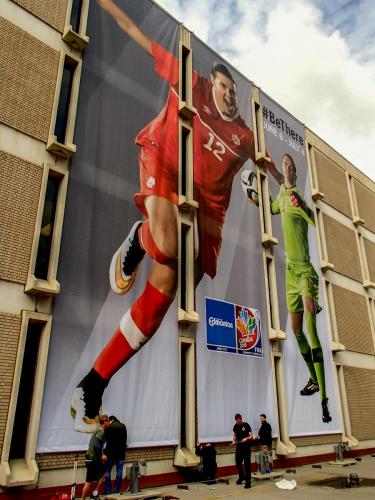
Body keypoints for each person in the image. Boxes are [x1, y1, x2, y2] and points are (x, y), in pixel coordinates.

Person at [70, 0, 283, 433]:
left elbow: (271, 171)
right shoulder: (191, 82)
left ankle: (92, 385)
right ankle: (139, 238)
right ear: (213, 82)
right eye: (222, 85)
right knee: (165, 244)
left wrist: (277, 188)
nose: (226, 93)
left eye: (231, 90)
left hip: (207, 214)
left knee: (163, 298)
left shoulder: (243, 134)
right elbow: (133, 28)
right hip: (165, 164)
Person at [271, 153, 332, 423]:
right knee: (295, 329)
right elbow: (271, 208)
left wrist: (306, 208)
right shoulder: (281, 196)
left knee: (310, 323)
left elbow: (315, 220)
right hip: (289, 274)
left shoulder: (297, 199)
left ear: (295, 172)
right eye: (285, 165)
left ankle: (324, 400)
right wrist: (254, 197)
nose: (287, 168)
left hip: (305, 270)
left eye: (291, 166)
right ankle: (313, 378)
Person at [82, 415, 110, 500]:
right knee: (89, 481)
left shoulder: (100, 430)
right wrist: (102, 456)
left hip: (94, 459)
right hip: (92, 459)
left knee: (103, 473)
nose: (109, 423)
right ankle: (82, 499)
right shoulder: (100, 431)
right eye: (108, 421)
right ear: (104, 422)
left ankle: (95, 493)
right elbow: (96, 445)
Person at [104, 415, 127, 494]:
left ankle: (108, 489)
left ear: (111, 420)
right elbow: (125, 441)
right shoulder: (123, 426)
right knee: (119, 471)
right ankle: (117, 489)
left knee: (107, 471)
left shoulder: (109, 427)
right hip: (121, 454)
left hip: (110, 454)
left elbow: (106, 440)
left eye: (108, 421)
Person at [231, 413, 252, 489]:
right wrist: (233, 440)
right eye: (237, 421)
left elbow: (251, 436)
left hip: (246, 448)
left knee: (247, 465)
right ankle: (241, 476)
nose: (238, 422)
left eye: (239, 421)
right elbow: (234, 435)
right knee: (238, 463)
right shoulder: (235, 426)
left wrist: (246, 438)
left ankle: (248, 482)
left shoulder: (246, 425)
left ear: (241, 419)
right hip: (239, 448)